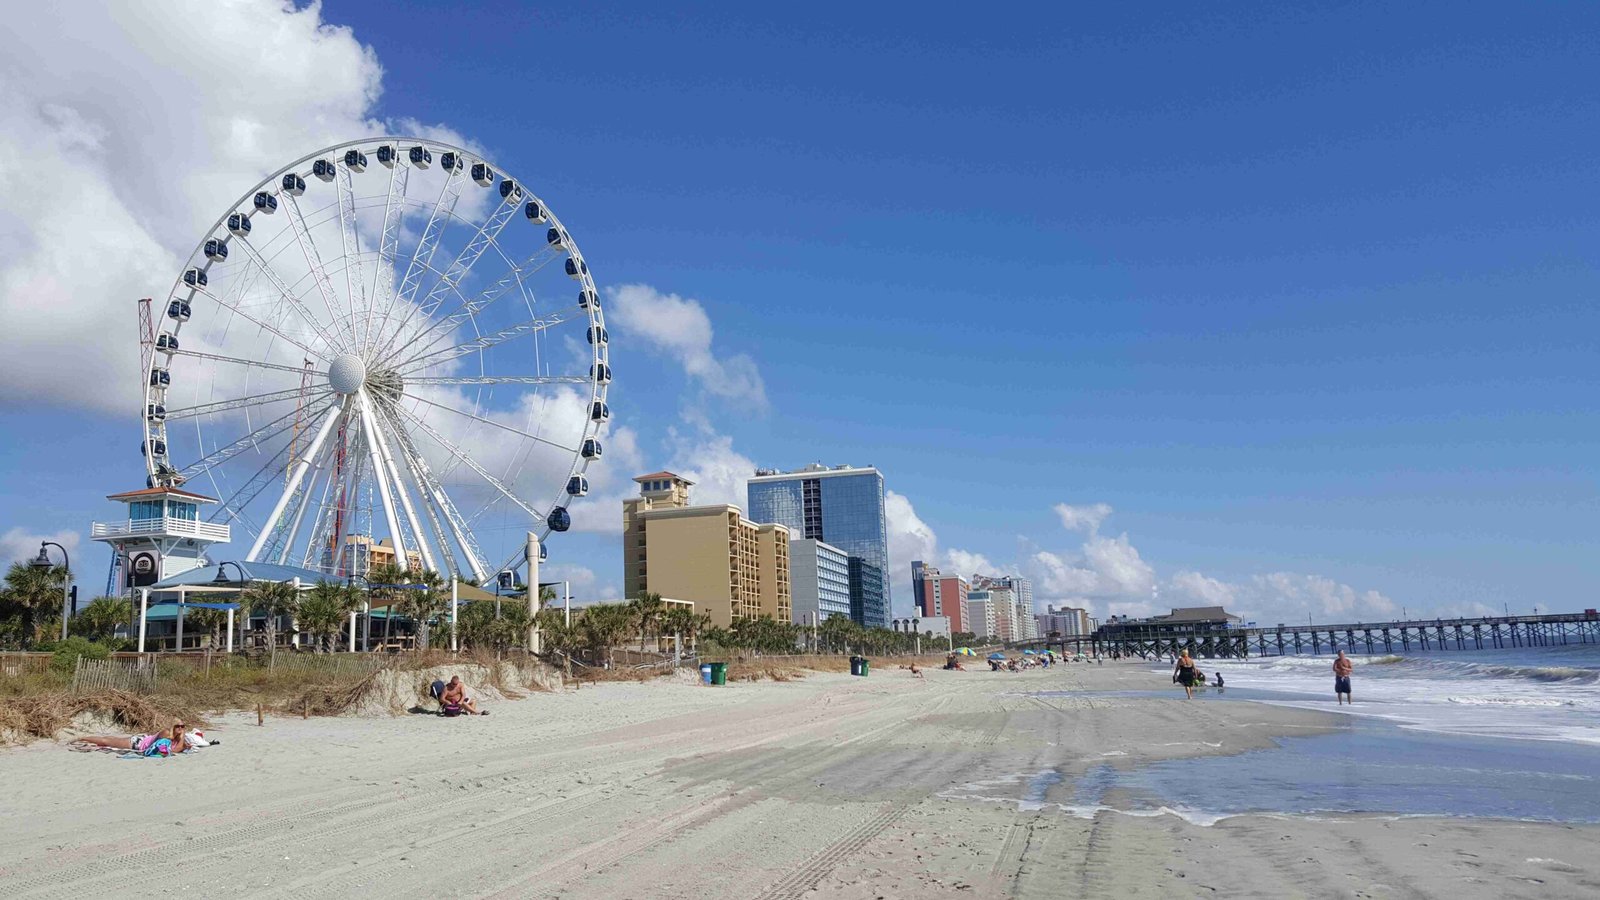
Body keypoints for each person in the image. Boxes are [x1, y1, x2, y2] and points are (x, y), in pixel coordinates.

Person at [74, 721, 191, 755]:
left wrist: (185, 745)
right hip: (137, 743)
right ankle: (82, 738)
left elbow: (176, 748)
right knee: (107, 741)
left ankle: (86, 738)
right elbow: (173, 750)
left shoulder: (175, 737)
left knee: (112, 739)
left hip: (141, 740)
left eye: (182, 726)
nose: (181, 729)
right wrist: (182, 738)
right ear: (173, 727)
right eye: (178, 726)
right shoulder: (166, 733)